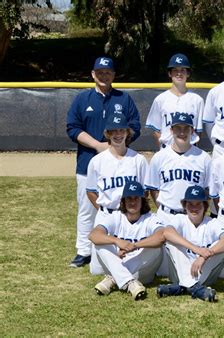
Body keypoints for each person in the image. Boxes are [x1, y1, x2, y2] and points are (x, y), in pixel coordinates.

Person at [67, 56, 141, 268]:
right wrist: (100, 146)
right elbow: (72, 128)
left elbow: (135, 125)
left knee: (120, 207)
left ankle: (121, 245)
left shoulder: (123, 99)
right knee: (87, 208)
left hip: (119, 163)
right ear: (93, 74)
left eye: (108, 72)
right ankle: (83, 251)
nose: (104, 75)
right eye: (100, 72)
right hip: (88, 161)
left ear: (113, 75)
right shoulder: (83, 99)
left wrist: (116, 146)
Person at [134, 186, 224, 302]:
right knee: (172, 241)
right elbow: (167, 233)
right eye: (190, 204)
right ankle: (195, 288)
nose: (194, 208)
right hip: (180, 270)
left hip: (204, 272)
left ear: (205, 205)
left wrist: (204, 256)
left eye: (198, 204)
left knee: (219, 245)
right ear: (185, 205)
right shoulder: (180, 219)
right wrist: (196, 249)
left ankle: (182, 287)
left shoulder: (212, 222)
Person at [88, 181, 164, 301]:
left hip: (141, 271)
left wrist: (134, 245)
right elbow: (93, 235)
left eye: (136, 198)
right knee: (100, 244)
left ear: (142, 200)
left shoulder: (150, 218)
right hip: (120, 263)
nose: (132, 202)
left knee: (156, 248)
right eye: (129, 198)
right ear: (123, 201)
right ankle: (130, 282)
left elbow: (161, 237)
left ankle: (113, 279)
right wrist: (117, 241)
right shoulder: (116, 216)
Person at [145, 113, 211, 225]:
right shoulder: (159, 157)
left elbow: (207, 190)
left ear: (192, 131)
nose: (182, 132)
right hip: (166, 217)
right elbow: (154, 189)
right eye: (178, 128)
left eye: (186, 128)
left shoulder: (204, 158)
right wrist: (163, 209)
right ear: (171, 130)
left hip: (192, 217)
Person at [86, 112, 148, 228]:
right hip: (106, 216)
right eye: (113, 131)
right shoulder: (96, 161)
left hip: (130, 217)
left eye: (121, 130)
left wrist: (134, 211)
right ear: (107, 134)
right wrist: (103, 210)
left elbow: (144, 191)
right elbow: (90, 191)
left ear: (127, 132)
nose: (118, 134)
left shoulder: (139, 160)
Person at [145, 53, 203, 150]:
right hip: (167, 149)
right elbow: (156, 129)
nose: (179, 73)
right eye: (175, 70)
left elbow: (198, 131)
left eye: (183, 70)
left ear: (188, 73)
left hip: (190, 151)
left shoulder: (197, 100)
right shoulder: (160, 99)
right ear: (169, 73)